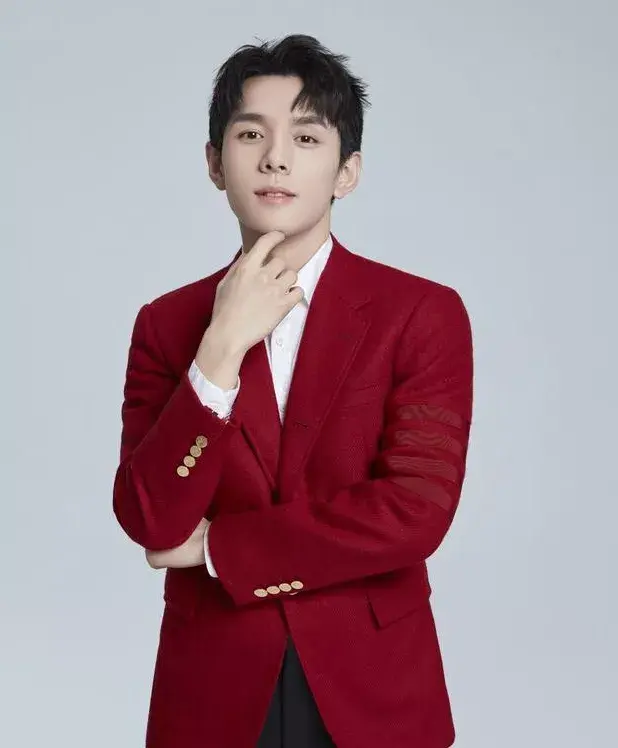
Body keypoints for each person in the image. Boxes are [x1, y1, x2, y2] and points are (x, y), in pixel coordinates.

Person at [113, 33, 474, 748]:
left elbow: (414, 511)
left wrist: (221, 549)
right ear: (215, 163)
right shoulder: (167, 323)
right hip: (213, 687)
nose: (275, 158)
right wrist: (220, 348)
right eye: (251, 134)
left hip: (371, 684)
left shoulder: (422, 313)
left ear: (347, 171)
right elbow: (151, 518)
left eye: (307, 138)